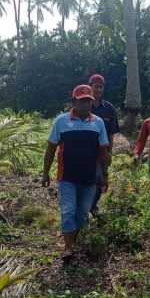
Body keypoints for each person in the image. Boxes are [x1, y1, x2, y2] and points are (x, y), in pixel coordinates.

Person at [42, 84, 110, 260]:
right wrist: (45, 172)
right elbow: (50, 148)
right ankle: (68, 247)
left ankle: (73, 241)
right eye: (82, 101)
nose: (86, 105)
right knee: (68, 210)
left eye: (88, 101)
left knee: (82, 214)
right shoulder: (61, 121)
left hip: (89, 178)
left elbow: (103, 151)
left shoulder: (98, 123)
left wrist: (104, 175)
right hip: (67, 177)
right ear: (74, 102)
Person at [89, 73, 120, 215]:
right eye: (96, 87)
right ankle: (85, 208)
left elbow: (111, 133)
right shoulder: (84, 106)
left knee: (101, 181)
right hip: (85, 150)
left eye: (101, 87)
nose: (98, 90)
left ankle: (92, 206)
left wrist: (110, 152)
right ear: (90, 87)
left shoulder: (109, 109)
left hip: (102, 151)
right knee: (86, 180)